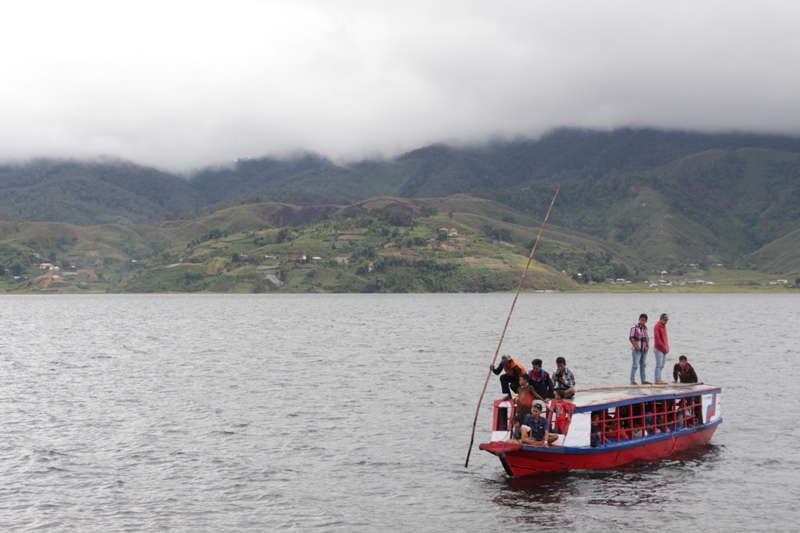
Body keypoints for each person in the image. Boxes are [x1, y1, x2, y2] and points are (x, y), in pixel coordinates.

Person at [629, 313, 650, 385]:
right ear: (639, 319)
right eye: (641, 320)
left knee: (643, 365)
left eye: (644, 320)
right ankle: (632, 380)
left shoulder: (645, 329)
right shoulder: (635, 327)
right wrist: (636, 346)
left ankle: (643, 380)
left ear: (646, 321)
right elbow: (631, 338)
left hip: (644, 350)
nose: (642, 322)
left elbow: (647, 339)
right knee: (635, 365)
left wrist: (648, 346)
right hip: (637, 350)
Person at [653, 313, 670, 384]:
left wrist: (667, 347)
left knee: (662, 365)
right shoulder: (657, 327)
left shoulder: (664, 327)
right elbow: (657, 340)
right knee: (659, 364)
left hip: (664, 349)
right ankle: (657, 380)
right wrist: (663, 347)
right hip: (658, 349)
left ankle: (659, 378)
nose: (666, 321)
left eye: (667, 320)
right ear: (660, 319)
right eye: (664, 320)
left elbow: (665, 339)